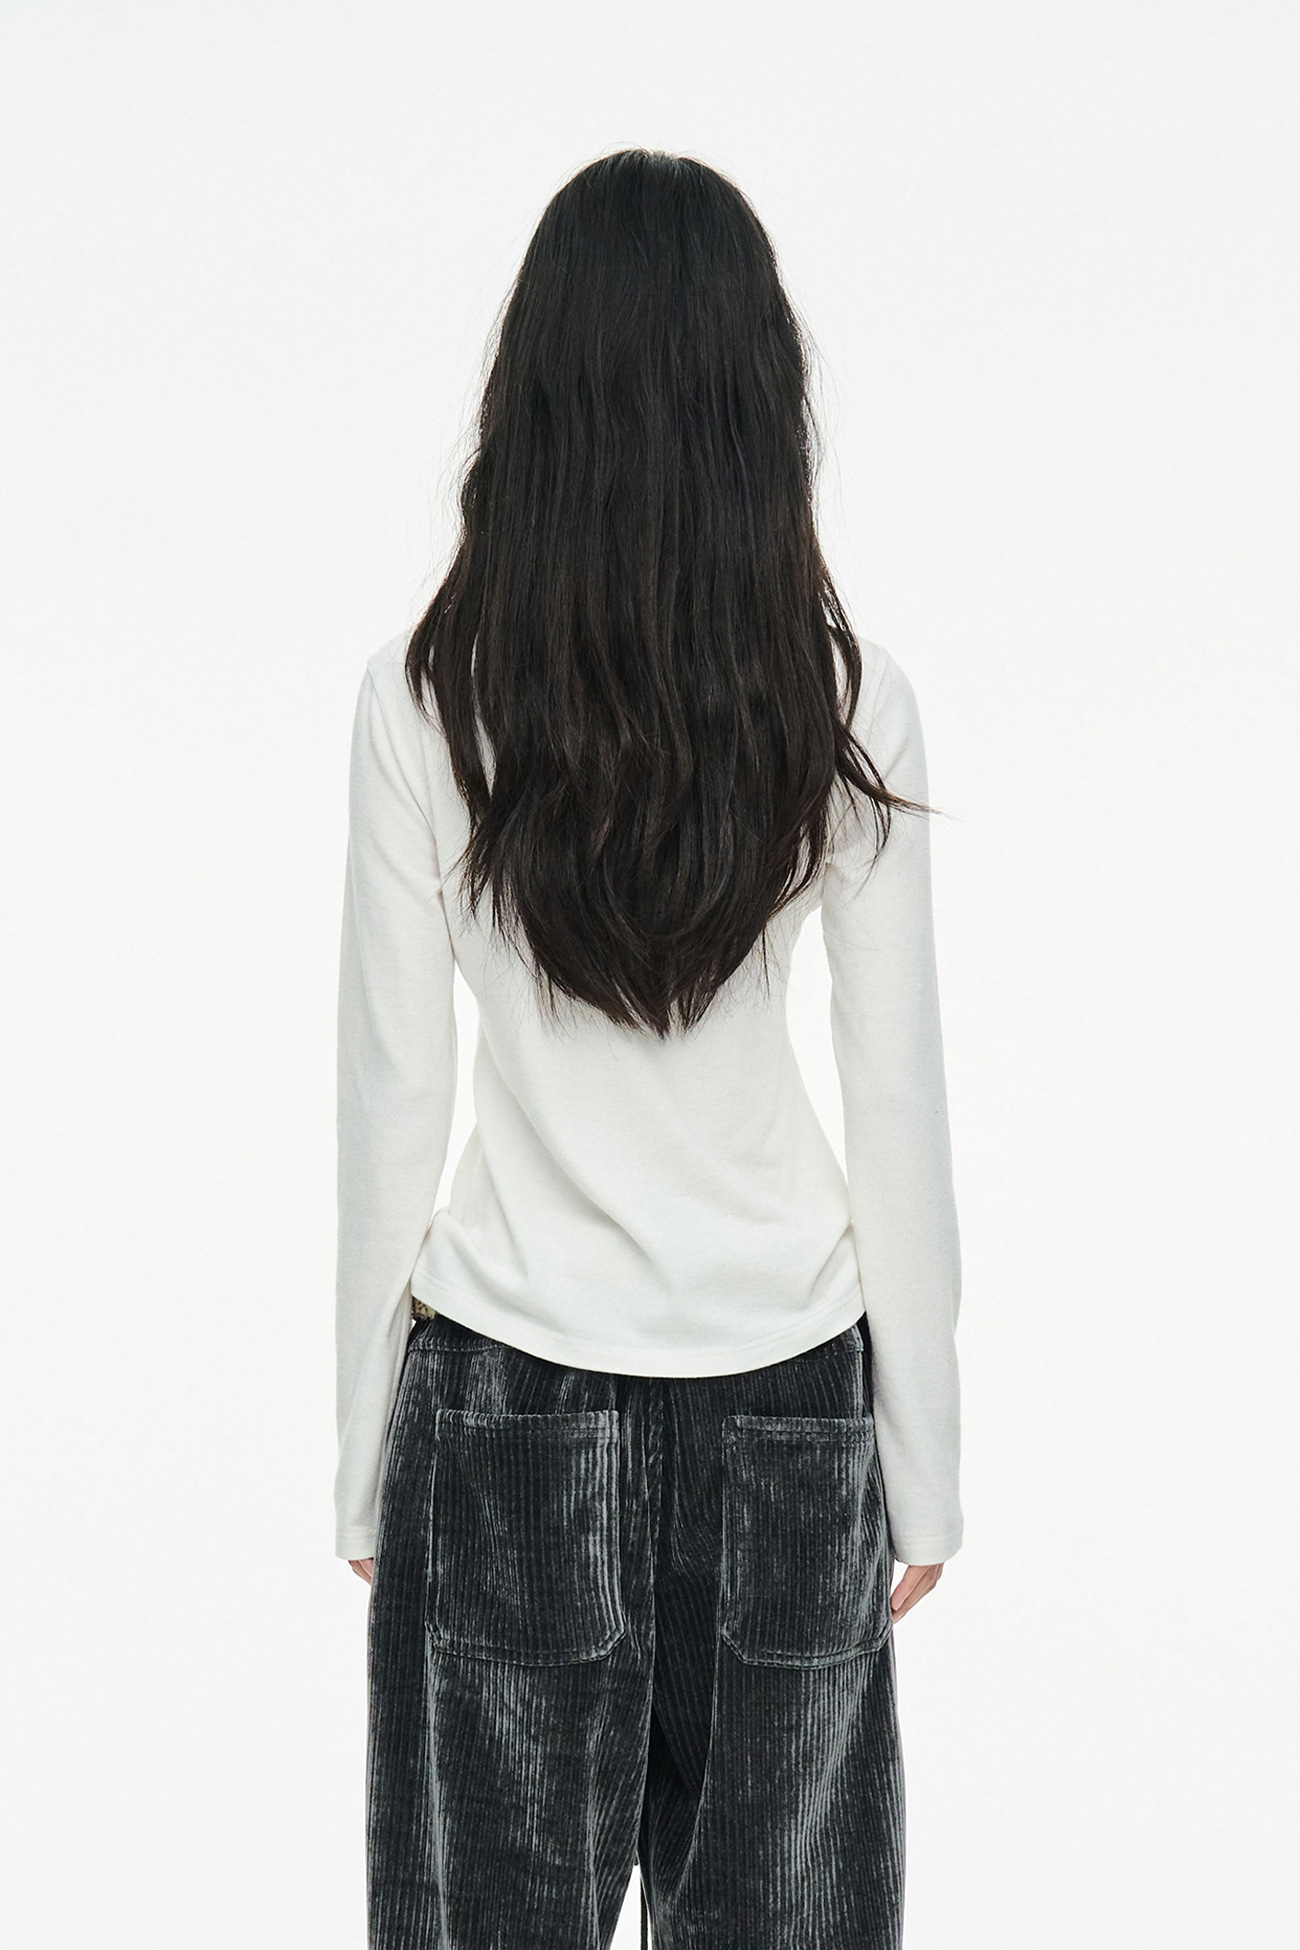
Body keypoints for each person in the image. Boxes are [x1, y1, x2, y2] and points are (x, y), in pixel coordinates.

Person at [334, 148, 962, 1950]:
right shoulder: (842, 701)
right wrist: (926, 1455)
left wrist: (362, 1449)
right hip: (791, 1405)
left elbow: (392, 1103)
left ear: (532, 394)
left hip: (507, 1400)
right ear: (761, 405)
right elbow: (897, 1097)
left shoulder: (425, 699)